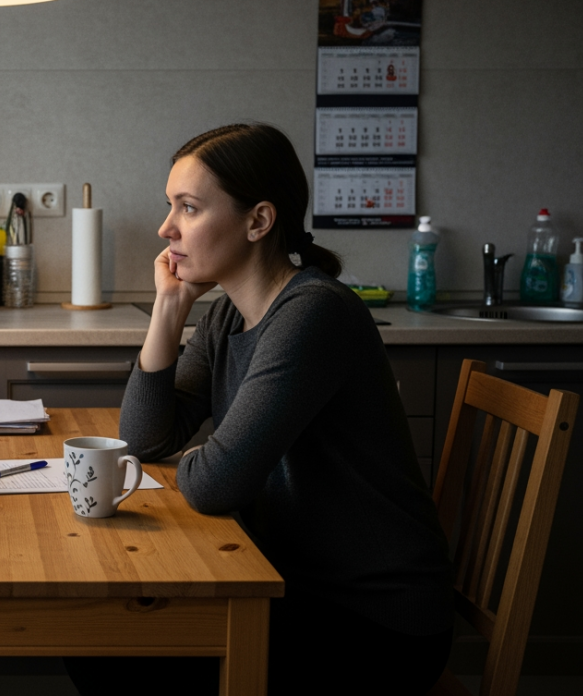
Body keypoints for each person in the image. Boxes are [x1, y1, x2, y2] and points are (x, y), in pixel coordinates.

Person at [65, 124, 452, 695]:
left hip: (373, 620)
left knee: (104, 645)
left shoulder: (312, 314)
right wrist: (169, 308)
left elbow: (215, 484)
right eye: (171, 206)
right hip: (293, 581)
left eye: (188, 208)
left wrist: (206, 459)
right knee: (98, 634)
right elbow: (144, 440)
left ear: (259, 221)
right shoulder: (227, 315)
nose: (166, 228)